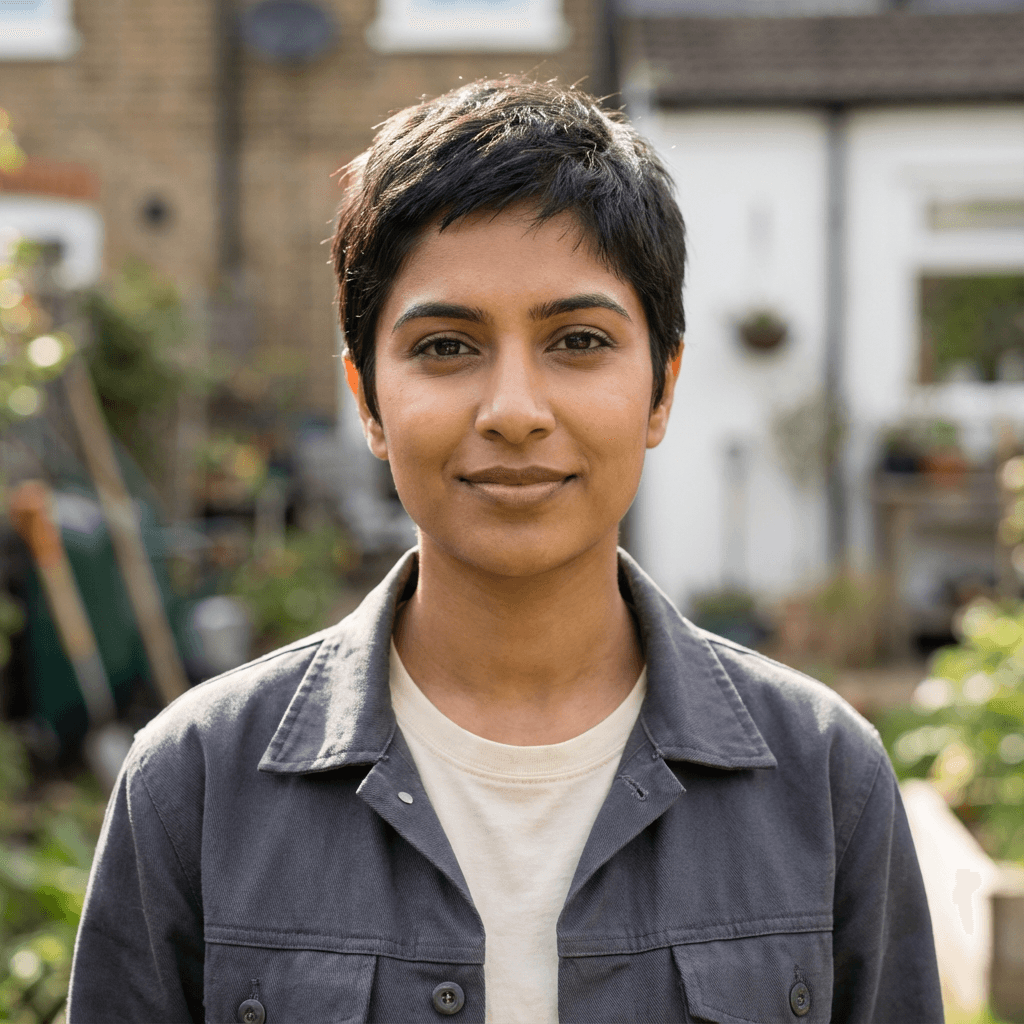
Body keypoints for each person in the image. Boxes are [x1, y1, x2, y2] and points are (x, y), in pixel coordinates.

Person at [68, 79, 942, 1023]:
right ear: (367, 398)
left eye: (577, 339)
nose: (515, 412)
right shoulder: (194, 785)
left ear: (661, 389)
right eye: (446, 347)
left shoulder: (822, 779)